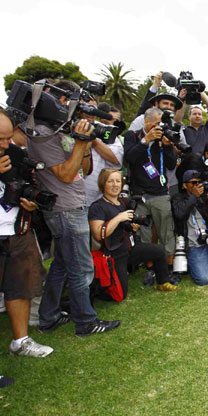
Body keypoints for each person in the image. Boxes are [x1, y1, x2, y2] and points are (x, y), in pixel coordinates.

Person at [25, 81, 120, 337]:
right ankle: (86, 322)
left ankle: (48, 316)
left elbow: (84, 169)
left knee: (62, 265)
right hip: (64, 208)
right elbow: (66, 174)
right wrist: (79, 141)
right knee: (82, 268)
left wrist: (86, 143)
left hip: (73, 204)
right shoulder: (42, 133)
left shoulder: (59, 131)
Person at [0, 108, 53, 356]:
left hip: (16, 227)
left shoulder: (14, 153)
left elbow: (25, 185)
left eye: (8, 137)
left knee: (20, 286)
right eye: (0, 138)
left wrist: (29, 202)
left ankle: (21, 341)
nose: (6, 143)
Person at [88, 168, 179, 296]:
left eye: (118, 181)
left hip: (130, 248)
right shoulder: (97, 207)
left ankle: (162, 282)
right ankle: (91, 291)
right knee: (120, 294)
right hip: (114, 254)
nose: (115, 185)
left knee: (159, 250)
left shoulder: (123, 202)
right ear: (103, 183)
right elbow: (98, 235)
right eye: (110, 181)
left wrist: (133, 226)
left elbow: (125, 226)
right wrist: (119, 217)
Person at [124, 107, 177, 274]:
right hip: (140, 194)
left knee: (166, 233)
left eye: (160, 124)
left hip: (160, 193)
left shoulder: (163, 138)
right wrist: (145, 141)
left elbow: (171, 164)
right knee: (144, 235)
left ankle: (169, 268)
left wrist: (168, 147)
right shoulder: (132, 136)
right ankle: (149, 269)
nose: (158, 128)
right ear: (146, 122)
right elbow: (129, 158)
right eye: (156, 124)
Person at [82, 98, 124, 206]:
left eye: (94, 109)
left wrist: (93, 138)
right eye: (87, 108)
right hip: (69, 197)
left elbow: (116, 160)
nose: (91, 112)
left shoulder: (106, 130)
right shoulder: (63, 126)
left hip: (97, 198)